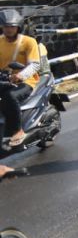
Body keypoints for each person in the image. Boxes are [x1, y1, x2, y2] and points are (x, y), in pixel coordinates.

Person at [0, 9, 40, 150]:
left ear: (18, 27)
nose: (8, 29)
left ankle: (18, 130)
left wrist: (20, 75)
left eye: (12, 26)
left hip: (26, 81)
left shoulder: (29, 42)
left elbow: (35, 64)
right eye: (5, 26)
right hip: (4, 79)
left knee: (9, 96)